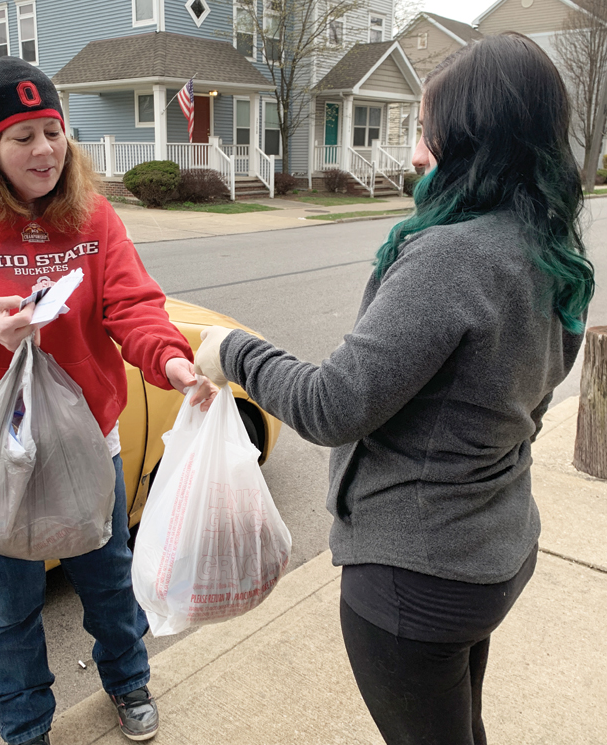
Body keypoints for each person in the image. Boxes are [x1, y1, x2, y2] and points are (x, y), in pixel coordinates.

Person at [194, 33, 594, 745]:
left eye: (423, 129)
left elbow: (332, 404)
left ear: (475, 134)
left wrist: (232, 350)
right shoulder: (544, 243)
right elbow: (529, 401)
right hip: (493, 547)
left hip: (418, 575)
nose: (414, 153)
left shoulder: (453, 254)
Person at [0, 57, 216, 745]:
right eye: (22, 135)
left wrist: (169, 359)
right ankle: (26, 725)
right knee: (10, 604)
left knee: (110, 579)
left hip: (84, 444)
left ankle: (128, 681)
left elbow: (131, 303)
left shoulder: (88, 212)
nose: (45, 150)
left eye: (53, 131)